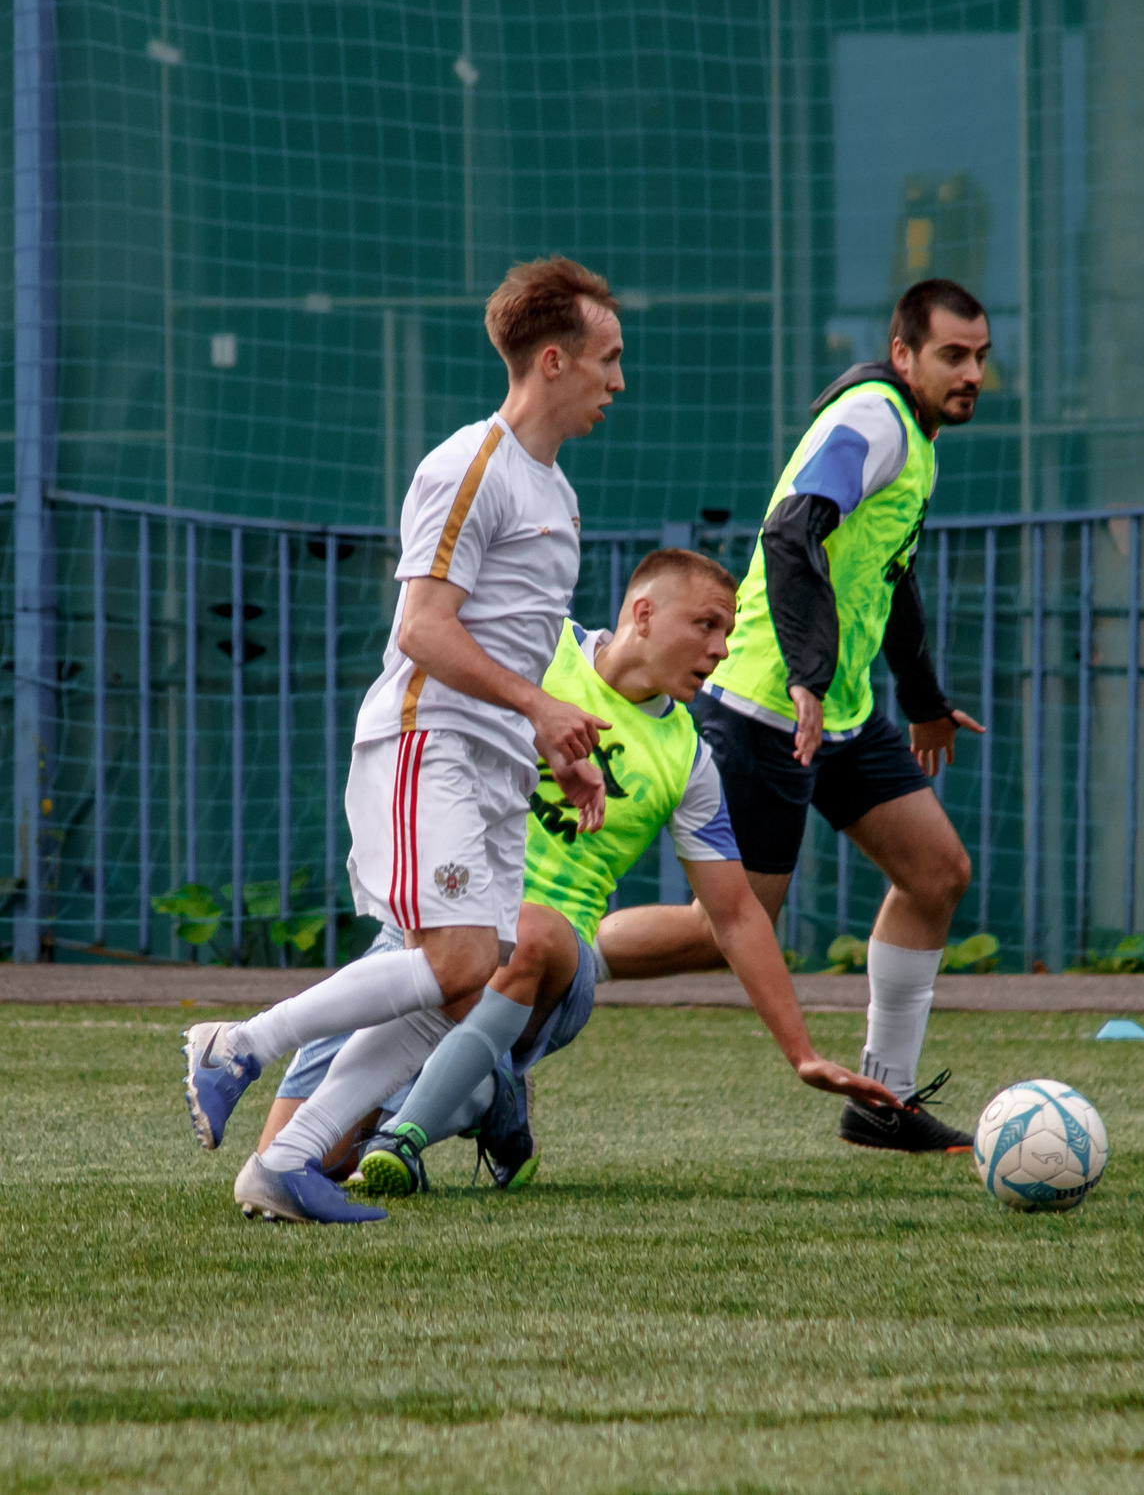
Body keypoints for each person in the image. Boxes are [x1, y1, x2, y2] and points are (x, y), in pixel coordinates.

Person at [184, 256, 623, 1224]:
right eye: (607, 359)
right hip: (430, 740)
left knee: (467, 980)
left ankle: (287, 1165)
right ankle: (239, 1044)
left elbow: (513, 638)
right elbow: (423, 629)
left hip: (494, 762)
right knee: (463, 959)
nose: (617, 382)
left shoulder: (558, 494)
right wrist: (539, 708)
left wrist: (551, 736)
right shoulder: (471, 462)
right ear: (553, 361)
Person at [249, 550, 897, 1200]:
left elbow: (733, 915)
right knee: (290, 1159)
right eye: (706, 625)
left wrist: (802, 1053)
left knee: (524, 928)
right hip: (429, 934)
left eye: (727, 632)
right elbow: (431, 635)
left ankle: (406, 1136)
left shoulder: (689, 758)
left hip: (555, 959)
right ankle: (490, 1093)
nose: (722, 648)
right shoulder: (541, 646)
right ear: (642, 614)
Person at [697, 277, 987, 1155]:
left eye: (979, 356)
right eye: (951, 355)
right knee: (733, 929)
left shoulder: (918, 439)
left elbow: (882, 574)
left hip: (841, 712)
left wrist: (924, 701)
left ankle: (881, 1102)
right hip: (767, 702)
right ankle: (547, 957)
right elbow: (792, 535)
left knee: (936, 873)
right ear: (903, 355)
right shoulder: (873, 419)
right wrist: (809, 678)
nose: (970, 371)